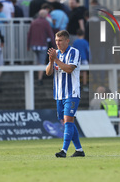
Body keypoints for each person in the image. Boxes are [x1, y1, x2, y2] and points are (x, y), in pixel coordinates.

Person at [46, 30, 85, 158]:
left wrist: (55, 59)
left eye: (60, 40)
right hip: (59, 94)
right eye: (56, 40)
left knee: (68, 120)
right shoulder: (55, 54)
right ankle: (79, 150)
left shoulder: (74, 52)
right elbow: (48, 73)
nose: (57, 43)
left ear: (67, 41)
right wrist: (51, 61)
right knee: (67, 122)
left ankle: (64, 150)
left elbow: (69, 69)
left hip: (72, 92)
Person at [27, 9, 55, 85]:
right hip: (42, 45)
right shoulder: (46, 23)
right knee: (41, 62)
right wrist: (55, 44)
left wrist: (28, 45)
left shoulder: (33, 22)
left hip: (34, 45)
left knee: (38, 61)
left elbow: (29, 34)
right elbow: (50, 34)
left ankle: (37, 75)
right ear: (45, 15)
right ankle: (39, 79)